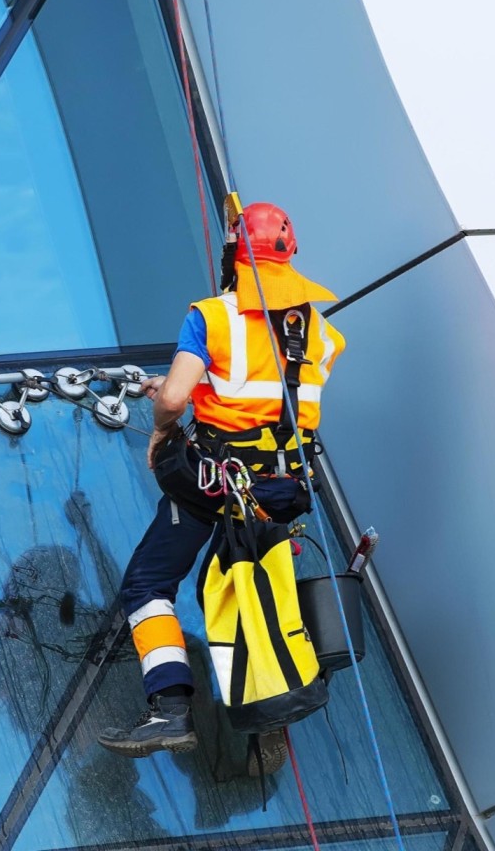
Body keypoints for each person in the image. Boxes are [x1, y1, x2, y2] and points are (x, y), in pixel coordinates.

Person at [96, 202, 345, 758]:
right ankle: (268, 716)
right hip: (279, 491)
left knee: (148, 584)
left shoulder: (211, 316)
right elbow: (265, 395)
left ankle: (170, 711)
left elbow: (176, 399)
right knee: (250, 593)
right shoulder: (323, 334)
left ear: (234, 254)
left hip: (213, 483)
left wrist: (163, 426)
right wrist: (195, 388)